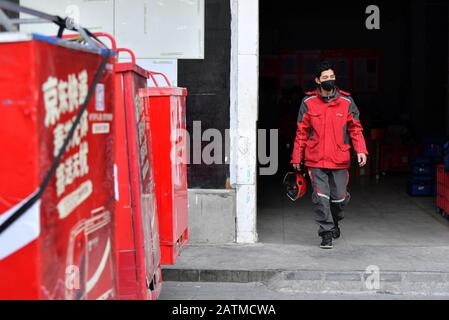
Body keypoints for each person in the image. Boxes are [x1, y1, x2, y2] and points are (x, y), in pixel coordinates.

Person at [291, 61, 368, 249]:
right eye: (325, 77)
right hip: (316, 159)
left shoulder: (346, 102)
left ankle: (334, 220)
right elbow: (301, 131)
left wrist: (361, 150)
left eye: (332, 77)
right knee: (321, 197)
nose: (329, 80)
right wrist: (296, 157)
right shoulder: (308, 102)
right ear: (317, 80)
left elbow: (355, 128)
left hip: (339, 159)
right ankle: (326, 233)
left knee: (340, 198)